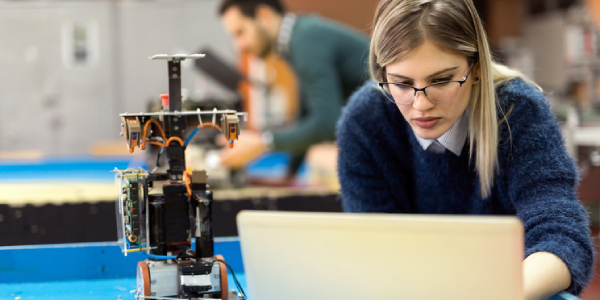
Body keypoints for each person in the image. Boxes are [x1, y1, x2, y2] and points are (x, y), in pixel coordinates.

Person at [336, 1, 594, 299]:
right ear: (382, 74)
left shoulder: (517, 112)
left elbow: (562, 237)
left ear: (477, 68)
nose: (421, 105)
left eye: (442, 80)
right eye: (402, 84)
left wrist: (500, 294)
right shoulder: (365, 123)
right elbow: (376, 253)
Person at [218, 0, 370, 177]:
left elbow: (327, 124)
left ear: (264, 15)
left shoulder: (306, 40)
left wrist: (263, 142)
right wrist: (289, 175)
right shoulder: (299, 36)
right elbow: (306, 114)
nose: (240, 46)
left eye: (240, 32)